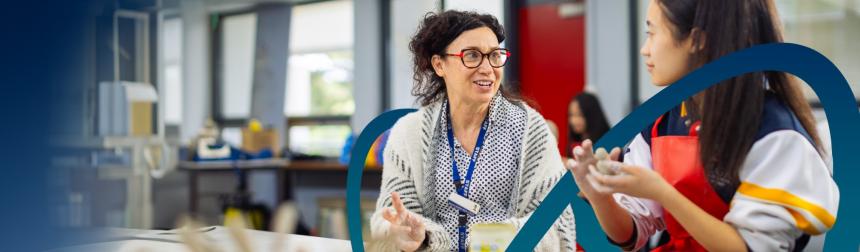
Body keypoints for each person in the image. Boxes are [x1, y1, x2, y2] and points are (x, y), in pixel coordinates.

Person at [567, 0, 839, 251]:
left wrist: (662, 192)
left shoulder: (774, 132)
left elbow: (751, 247)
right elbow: (630, 235)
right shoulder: (661, 121)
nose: (644, 49)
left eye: (652, 33)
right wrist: (600, 195)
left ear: (697, 40)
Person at [369, 10, 576, 252]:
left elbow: (558, 221)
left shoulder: (530, 130)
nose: (488, 68)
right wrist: (416, 235)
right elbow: (389, 218)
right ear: (439, 65)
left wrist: (485, 244)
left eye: (495, 56)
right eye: (473, 56)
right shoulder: (408, 133)